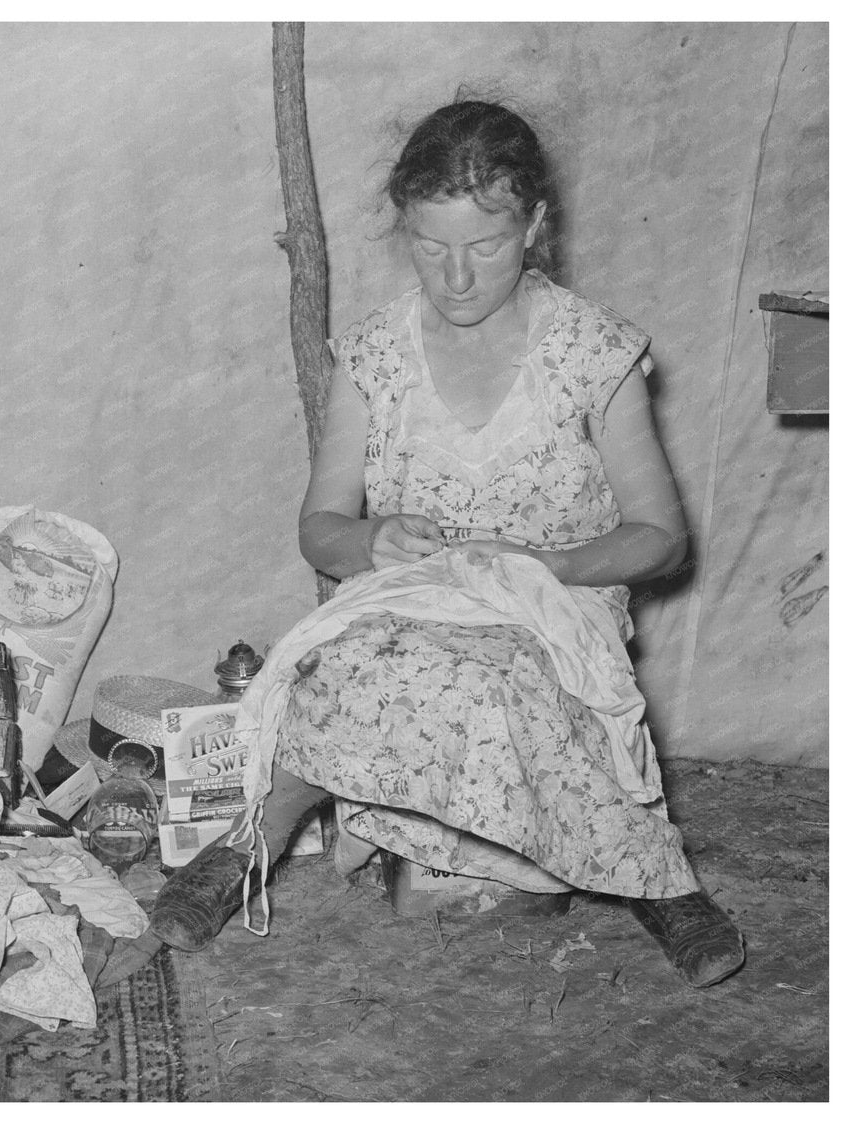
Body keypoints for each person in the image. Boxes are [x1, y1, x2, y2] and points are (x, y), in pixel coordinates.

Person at [148, 98, 745, 989]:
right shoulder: (375, 356)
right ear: (404, 230)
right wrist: (371, 539)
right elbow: (320, 529)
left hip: (551, 600)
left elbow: (660, 539)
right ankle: (248, 843)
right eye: (431, 247)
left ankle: (659, 882)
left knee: (510, 678)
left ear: (536, 226)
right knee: (340, 665)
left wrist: (551, 564)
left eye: (487, 247)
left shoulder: (594, 354)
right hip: (411, 596)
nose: (457, 277)